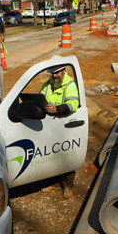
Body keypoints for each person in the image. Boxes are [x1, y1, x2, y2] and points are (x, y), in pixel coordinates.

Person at [39, 65, 79, 198]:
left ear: (63, 71)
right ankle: (53, 182)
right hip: (49, 126)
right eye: (52, 73)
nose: (54, 75)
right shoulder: (47, 85)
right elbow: (40, 99)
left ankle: (67, 185)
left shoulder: (70, 85)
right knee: (49, 155)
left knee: (66, 155)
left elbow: (73, 105)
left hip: (64, 125)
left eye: (57, 73)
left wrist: (57, 109)